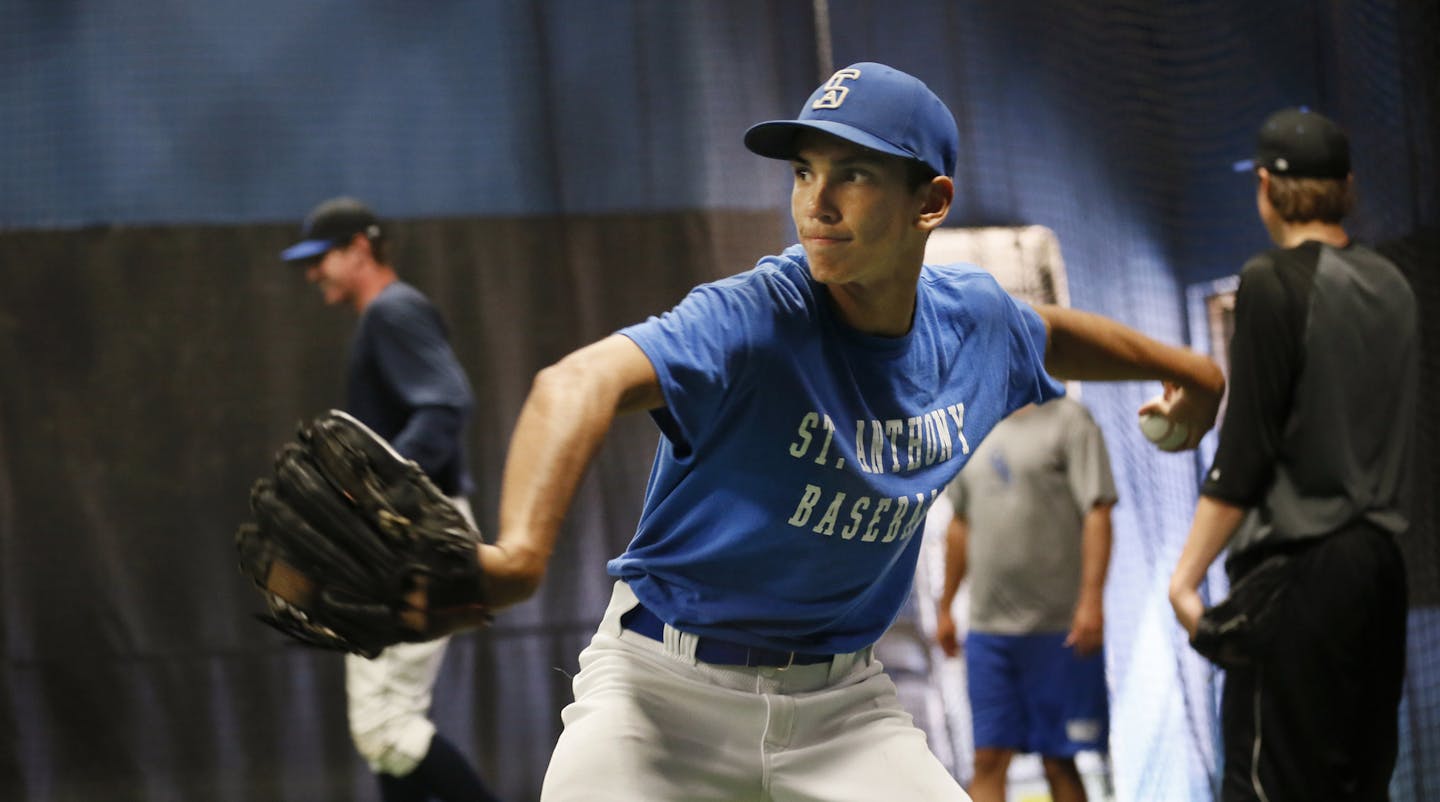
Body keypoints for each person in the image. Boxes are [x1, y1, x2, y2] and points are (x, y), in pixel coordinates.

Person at [414, 62, 1223, 801]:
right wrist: (519, 556)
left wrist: (1194, 370)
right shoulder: (755, 316)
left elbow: (1047, 333)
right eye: (804, 171)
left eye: (854, 175)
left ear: (931, 203)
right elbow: (574, 383)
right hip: (660, 697)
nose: (815, 201)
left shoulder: (973, 322)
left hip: (842, 710)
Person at [1167, 108, 1414, 801]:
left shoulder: (1271, 281)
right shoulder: (1394, 285)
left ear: (1269, 190)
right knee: (1356, 784)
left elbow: (1246, 452)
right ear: (1348, 187)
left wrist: (1185, 582)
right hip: (1378, 575)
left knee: (1269, 786)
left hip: (1297, 580)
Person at [280, 197, 502, 802]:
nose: (311, 273)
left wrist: (376, 494)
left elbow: (445, 404)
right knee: (389, 725)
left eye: (319, 258)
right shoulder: (387, 313)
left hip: (419, 536)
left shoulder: (392, 311)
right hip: (416, 532)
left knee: (384, 725)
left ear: (359, 248)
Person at [934, 397, 1116, 802]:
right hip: (988, 633)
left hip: (1058, 630)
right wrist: (945, 607)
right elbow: (960, 524)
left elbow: (1098, 510)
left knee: (1059, 760)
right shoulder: (973, 421)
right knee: (987, 759)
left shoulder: (1070, 420)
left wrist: (1092, 601)